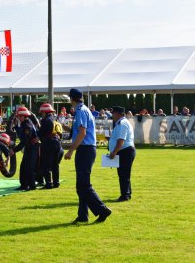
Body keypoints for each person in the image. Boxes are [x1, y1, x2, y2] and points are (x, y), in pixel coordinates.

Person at [64, 88, 112, 223]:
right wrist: (67, 128)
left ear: (72, 98)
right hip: (88, 149)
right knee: (81, 186)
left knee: (84, 185)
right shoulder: (85, 110)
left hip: (85, 149)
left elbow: (82, 133)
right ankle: (83, 215)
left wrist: (70, 150)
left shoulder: (80, 111)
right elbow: (81, 131)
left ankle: (102, 210)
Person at [108, 106, 136, 202]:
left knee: (123, 174)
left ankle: (125, 195)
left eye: (113, 113)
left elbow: (121, 140)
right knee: (124, 174)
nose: (112, 115)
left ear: (118, 113)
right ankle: (127, 193)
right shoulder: (122, 123)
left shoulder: (122, 123)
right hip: (125, 151)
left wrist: (114, 152)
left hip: (125, 151)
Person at [9, 107, 39, 191]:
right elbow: (23, 137)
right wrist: (16, 127)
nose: (18, 118)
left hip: (32, 147)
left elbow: (24, 141)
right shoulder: (25, 124)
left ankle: (31, 186)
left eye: (19, 116)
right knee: (23, 167)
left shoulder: (27, 125)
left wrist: (14, 150)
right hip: (29, 147)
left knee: (29, 167)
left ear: (24, 116)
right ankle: (24, 185)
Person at [38, 103, 64, 189]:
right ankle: (56, 183)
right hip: (57, 143)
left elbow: (41, 133)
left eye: (42, 112)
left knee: (47, 164)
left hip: (49, 143)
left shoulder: (46, 121)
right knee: (55, 165)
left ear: (45, 112)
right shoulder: (55, 120)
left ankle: (48, 183)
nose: (42, 114)